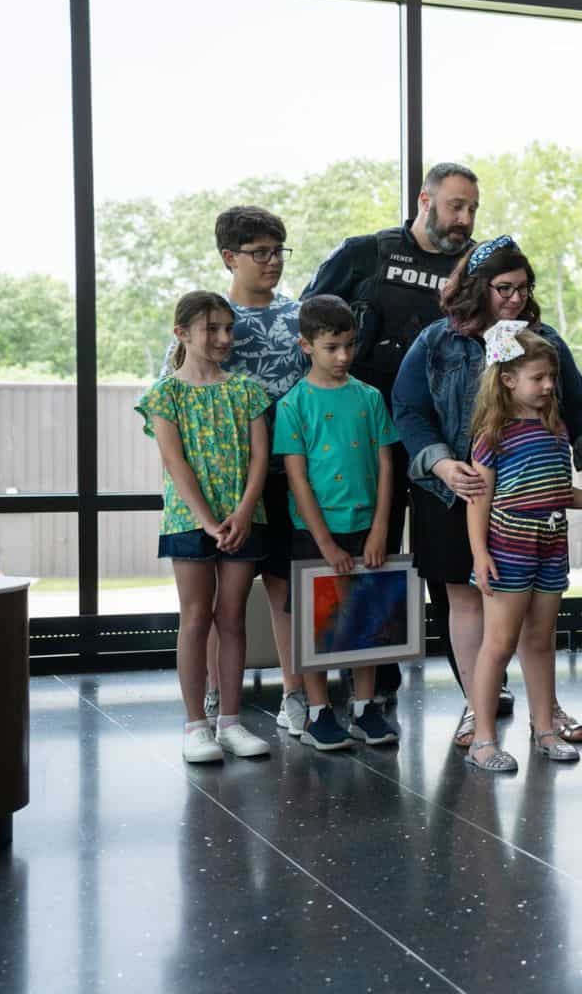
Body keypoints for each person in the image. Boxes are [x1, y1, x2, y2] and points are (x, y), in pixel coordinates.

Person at [392, 236, 582, 750]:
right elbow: (407, 411)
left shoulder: (545, 341)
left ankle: (547, 709)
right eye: (504, 288)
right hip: (453, 491)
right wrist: (442, 463)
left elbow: (580, 409)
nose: (516, 299)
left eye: (524, 288)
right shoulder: (436, 341)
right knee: (469, 602)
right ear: (477, 288)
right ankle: (480, 714)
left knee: (534, 621)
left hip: (527, 502)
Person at [301, 162, 480, 711]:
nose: (465, 218)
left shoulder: (472, 267)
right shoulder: (366, 253)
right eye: (455, 206)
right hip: (360, 437)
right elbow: (306, 324)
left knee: (448, 565)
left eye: (472, 208)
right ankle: (368, 685)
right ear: (424, 200)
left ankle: (477, 687)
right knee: (368, 556)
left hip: (438, 438)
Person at [162, 207, 311, 734]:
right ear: (230, 257)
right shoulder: (206, 319)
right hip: (214, 480)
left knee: (285, 587)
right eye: (260, 253)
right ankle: (209, 699)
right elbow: (172, 405)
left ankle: (297, 696)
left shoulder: (298, 319)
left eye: (279, 251)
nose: (273, 262)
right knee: (206, 607)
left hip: (288, 475)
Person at [462, 324, 582, 772]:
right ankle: (482, 738)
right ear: (508, 380)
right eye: (538, 378)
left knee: (540, 641)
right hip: (509, 547)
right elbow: (478, 500)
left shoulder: (556, 428)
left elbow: (560, 491)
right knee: (498, 645)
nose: (549, 385)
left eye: (550, 377)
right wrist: (480, 553)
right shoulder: (492, 436)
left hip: (551, 546)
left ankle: (545, 728)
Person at [136, 291, 274, 763]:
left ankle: (231, 721)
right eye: (211, 329)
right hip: (189, 521)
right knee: (195, 618)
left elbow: (260, 459)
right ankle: (196, 725)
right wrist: (207, 520)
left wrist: (242, 511)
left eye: (227, 329)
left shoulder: (247, 391)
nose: (223, 338)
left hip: (242, 519)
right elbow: (175, 464)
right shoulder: (163, 395)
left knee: (232, 619)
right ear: (182, 333)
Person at [274, 295, 403, 750]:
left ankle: (365, 709)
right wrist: (324, 542)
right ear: (305, 345)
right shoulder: (293, 405)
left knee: (365, 618)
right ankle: (316, 712)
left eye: (349, 345)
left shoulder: (369, 398)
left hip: (366, 527)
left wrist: (380, 529)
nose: (344, 356)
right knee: (319, 623)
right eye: (332, 347)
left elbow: (387, 466)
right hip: (315, 533)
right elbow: (297, 478)